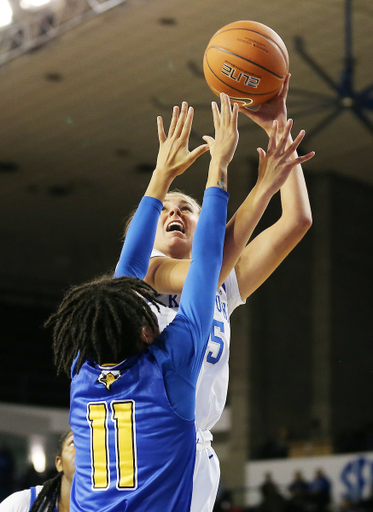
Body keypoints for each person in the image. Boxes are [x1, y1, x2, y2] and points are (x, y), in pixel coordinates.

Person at [115, 73, 315, 512]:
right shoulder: (145, 274)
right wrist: (257, 184)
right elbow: (206, 266)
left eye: (185, 208)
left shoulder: (224, 280)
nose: (174, 212)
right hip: (153, 444)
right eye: (164, 208)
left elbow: (297, 221)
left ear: (204, 222)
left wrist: (278, 128)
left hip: (200, 452)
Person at [45, 95, 237, 512]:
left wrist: (191, 172)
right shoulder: (170, 367)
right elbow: (202, 263)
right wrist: (205, 167)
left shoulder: (84, 369)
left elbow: (138, 270)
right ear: (148, 332)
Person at [0, 429, 75, 512]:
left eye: (90, 446)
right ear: (59, 463)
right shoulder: (21, 504)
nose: (83, 452)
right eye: (73, 443)